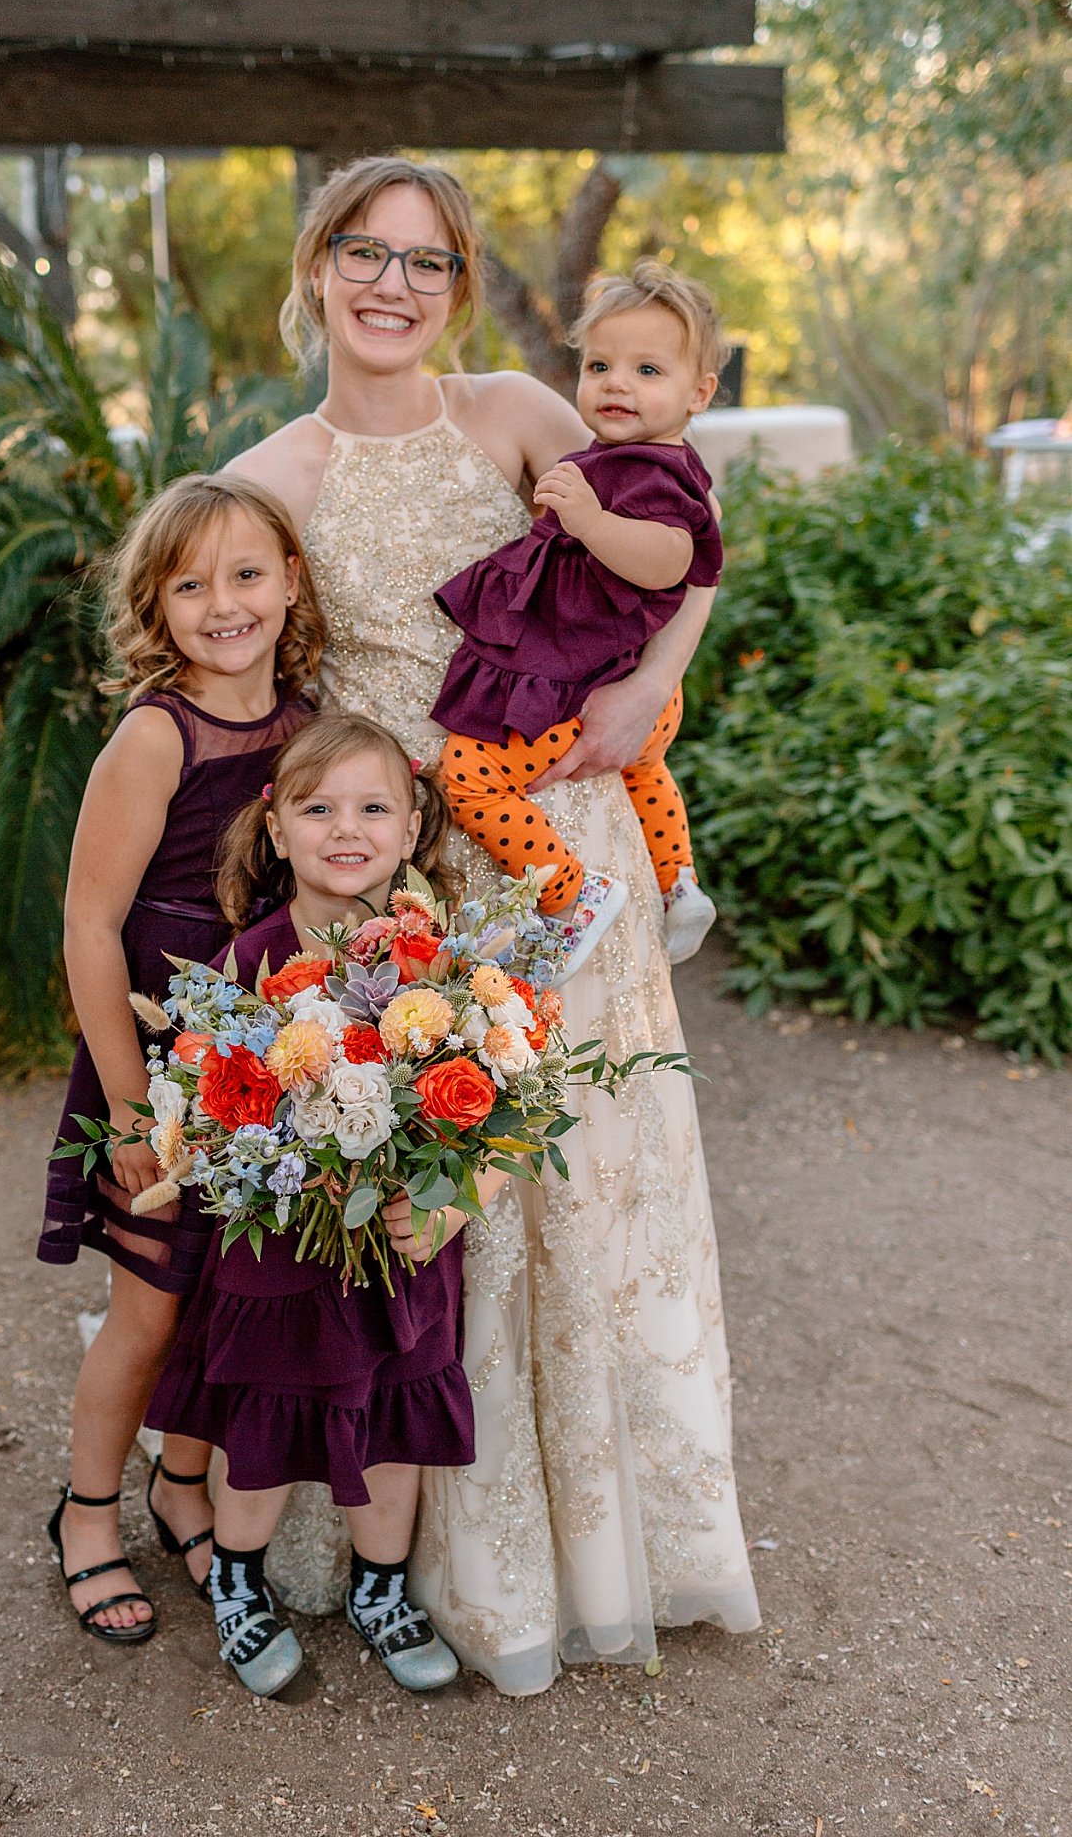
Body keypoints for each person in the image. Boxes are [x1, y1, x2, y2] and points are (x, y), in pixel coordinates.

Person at [227, 154, 759, 1696]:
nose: (393, 286)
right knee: (424, 1200)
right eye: (363, 253)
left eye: (427, 262)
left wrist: (657, 684)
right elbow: (243, 662)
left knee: (583, 1177)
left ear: (459, 287)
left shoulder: (526, 412)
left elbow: (688, 529)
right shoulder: (277, 471)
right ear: (316, 268)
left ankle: (604, 1545)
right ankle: (400, 1552)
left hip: (559, 839)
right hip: (393, 871)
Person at [38, 474, 323, 1644]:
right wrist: (124, 1101)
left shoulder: (307, 724)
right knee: (150, 1309)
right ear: (156, 602)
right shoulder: (157, 735)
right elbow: (88, 925)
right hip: (155, 1067)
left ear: (292, 581)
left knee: (229, 1305)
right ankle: (89, 1510)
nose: (223, 602)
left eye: (247, 573)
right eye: (191, 581)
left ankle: (182, 1486)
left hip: (263, 1064)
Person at [150, 715, 485, 1696]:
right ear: (277, 824)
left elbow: (494, 1108)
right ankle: (238, 1584)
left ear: (413, 821)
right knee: (263, 1429)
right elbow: (201, 1095)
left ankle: (381, 1589)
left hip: (399, 1246)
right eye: (319, 806)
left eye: (373, 806)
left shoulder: (437, 965)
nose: (348, 827)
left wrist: (442, 1203)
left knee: (394, 1423)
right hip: (282, 1255)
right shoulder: (249, 959)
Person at [433, 259, 724, 973]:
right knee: (644, 770)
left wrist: (589, 522)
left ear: (699, 393)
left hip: (588, 687)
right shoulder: (620, 460)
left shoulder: (654, 475)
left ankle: (568, 896)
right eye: (599, 364)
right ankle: (676, 881)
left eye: (647, 370)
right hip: (624, 683)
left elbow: (669, 562)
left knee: (468, 774)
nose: (616, 383)